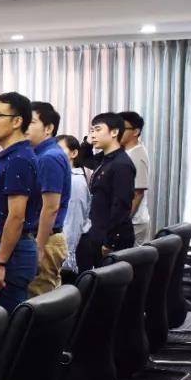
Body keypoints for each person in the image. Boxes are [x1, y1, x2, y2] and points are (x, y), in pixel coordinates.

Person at [0, 91, 41, 314]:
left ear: (17, 122)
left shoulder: (19, 159)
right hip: (7, 247)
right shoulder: (9, 155)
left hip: (11, 251)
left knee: (3, 320)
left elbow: (16, 216)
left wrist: (0, 262)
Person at [78, 113, 136, 271]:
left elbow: (121, 206)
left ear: (114, 132)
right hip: (97, 231)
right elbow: (83, 159)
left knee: (107, 282)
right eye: (91, 130)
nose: (93, 135)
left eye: (97, 130)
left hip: (111, 239)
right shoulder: (105, 158)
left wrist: (110, 242)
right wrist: (87, 143)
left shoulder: (121, 164)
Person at [25, 102, 72, 296]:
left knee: (39, 299)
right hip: (45, 237)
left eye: (31, 122)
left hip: (45, 239)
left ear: (48, 128)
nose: (24, 126)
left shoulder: (49, 157)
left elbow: (51, 207)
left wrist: (39, 247)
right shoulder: (38, 154)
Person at [55, 135, 91, 276]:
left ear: (74, 153)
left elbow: (74, 222)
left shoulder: (75, 181)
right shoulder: (64, 177)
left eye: (59, 149)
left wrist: (66, 258)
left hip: (69, 253)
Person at [118, 111, 151, 244]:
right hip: (129, 221)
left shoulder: (137, 154)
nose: (117, 132)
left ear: (136, 131)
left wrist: (123, 222)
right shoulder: (126, 152)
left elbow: (138, 193)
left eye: (122, 128)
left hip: (134, 222)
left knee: (129, 256)